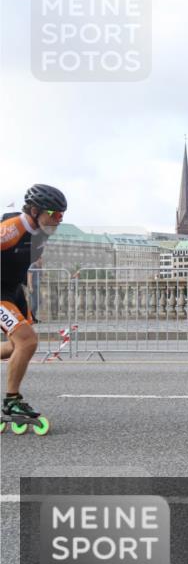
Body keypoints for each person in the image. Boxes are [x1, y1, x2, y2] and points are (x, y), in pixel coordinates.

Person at [1, 184, 67, 435]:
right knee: (27, 341)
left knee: (18, 344)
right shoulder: (12, 228)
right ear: (36, 210)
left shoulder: (41, 230)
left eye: (63, 215)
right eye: (55, 214)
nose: (59, 220)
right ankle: (12, 401)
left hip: (13, 290)